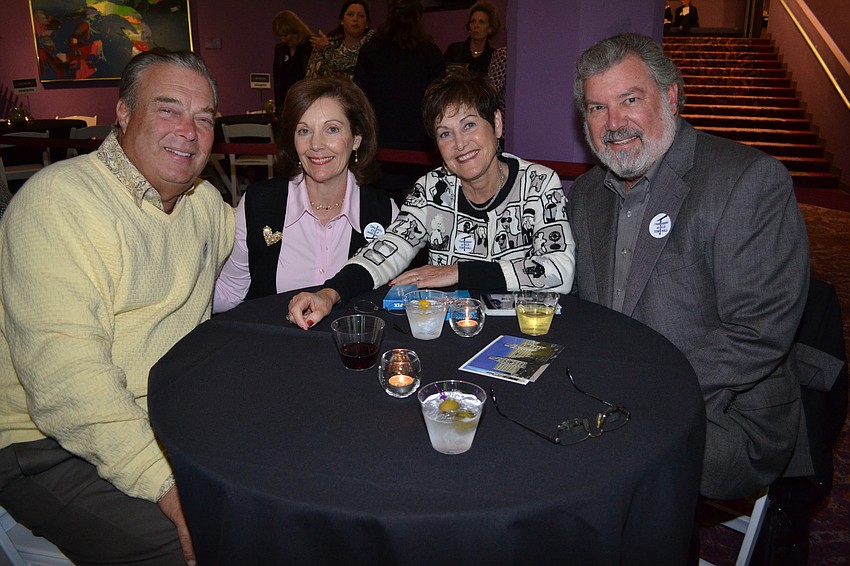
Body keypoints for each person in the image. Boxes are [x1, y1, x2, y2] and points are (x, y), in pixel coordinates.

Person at [0, 49, 235, 565]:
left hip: (162, 419)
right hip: (44, 442)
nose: (189, 131)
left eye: (203, 118)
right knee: (205, 545)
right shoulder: (58, 203)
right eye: (168, 109)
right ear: (123, 112)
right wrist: (166, 485)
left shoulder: (206, 206)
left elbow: (267, 263)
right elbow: (66, 383)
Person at [569, 33, 810, 502]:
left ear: (672, 97)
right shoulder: (585, 195)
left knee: (593, 469)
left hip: (727, 412)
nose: (614, 123)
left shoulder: (748, 180)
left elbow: (757, 333)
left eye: (630, 100)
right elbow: (580, 308)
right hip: (618, 391)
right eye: (597, 108)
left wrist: (642, 394)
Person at [287, 67, 575, 329]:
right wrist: (329, 292)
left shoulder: (538, 183)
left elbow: (560, 270)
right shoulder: (430, 189)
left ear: (497, 123)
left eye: (470, 125)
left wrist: (458, 272)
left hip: (522, 333)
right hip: (448, 335)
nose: (460, 144)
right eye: (445, 133)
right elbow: (387, 250)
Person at [213, 78, 398, 312]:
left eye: (332, 129)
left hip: (350, 347)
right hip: (274, 345)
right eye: (304, 131)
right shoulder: (260, 204)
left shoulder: (384, 213)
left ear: (356, 139)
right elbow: (230, 292)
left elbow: (392, 302)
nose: (316, 144)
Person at [353, 0, 445, 201]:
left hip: (379, 142)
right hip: (419, 146)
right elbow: (439, 103)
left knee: (378, 213)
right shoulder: (431, 53)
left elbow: (359, 99)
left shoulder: (370, 50)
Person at [306, 1, 374, 80]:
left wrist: (326, 49)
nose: (355, 19)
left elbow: (348, 64)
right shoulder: (328, 42)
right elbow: (310, 78)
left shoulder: (374, 44)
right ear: (342, 20)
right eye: (350, 15)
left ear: (367, 23)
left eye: (361, 16)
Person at [443, 1, 501, 75]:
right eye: (473, 21)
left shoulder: (494, 56)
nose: (476, 25)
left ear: (490, 29)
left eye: (481, 22)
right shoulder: (455, 50)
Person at [272, 10, 313, 109]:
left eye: (285, 35)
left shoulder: (311, 46)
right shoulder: (280, 49)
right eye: (280, 36)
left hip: (306, 101)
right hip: (285, 104)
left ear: (295, 30)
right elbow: (278, 81)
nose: (283, 39)